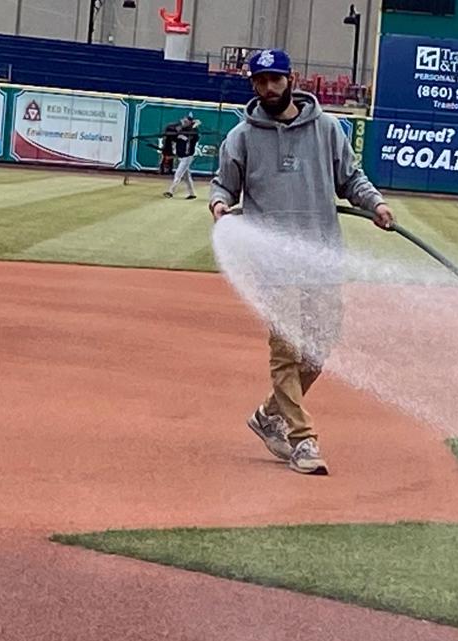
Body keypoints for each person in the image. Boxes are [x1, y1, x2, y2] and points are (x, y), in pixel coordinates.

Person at [209, 48, 394, 475]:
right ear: (252, 84)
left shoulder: (327, 129)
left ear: (291, 78)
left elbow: (351, 179)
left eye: (275, 79)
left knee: (317, 351)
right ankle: (302, 438)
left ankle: (268, 414)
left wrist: (376, 205)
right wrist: (220, 206)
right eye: (260, 81)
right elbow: (223, 186)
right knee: (286, 350)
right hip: (271, 265)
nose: (269, 88)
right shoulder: (241, 137)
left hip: (322, 258)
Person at [164, 114, 201, 199]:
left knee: (178, 174)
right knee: (187, 177)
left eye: (186, 121)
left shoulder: (193, 132)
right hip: (181, 156)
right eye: (184, 121)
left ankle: (170, 192)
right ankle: (192, 194)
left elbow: (195, 137)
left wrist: (194, 126)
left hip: (187, 157)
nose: (184, 122)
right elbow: (172, 133)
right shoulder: (180, 130)